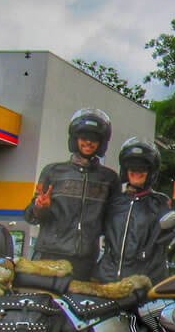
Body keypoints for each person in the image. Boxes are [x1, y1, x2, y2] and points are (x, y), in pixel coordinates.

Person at [24, 108, 120, 282]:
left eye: (94, 139)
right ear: (75, 139)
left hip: (85, 260)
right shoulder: (53, 171)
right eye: (84, 137)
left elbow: (113, 222)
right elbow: (31, 216)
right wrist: (40, 207)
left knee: (79, 307)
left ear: (101, 143)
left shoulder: (109, 179)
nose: (89, 143)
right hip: (49, 256)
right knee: (43, 305)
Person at [94, 137, 175, 285]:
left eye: (142, 168)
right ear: (125, 170)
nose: (137, 172)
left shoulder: (160, 203)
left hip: (144, 285)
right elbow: (92, 227)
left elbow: (173, 233)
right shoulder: (114, 202)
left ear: (151, 171)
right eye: (132, 167)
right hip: (108, 281)